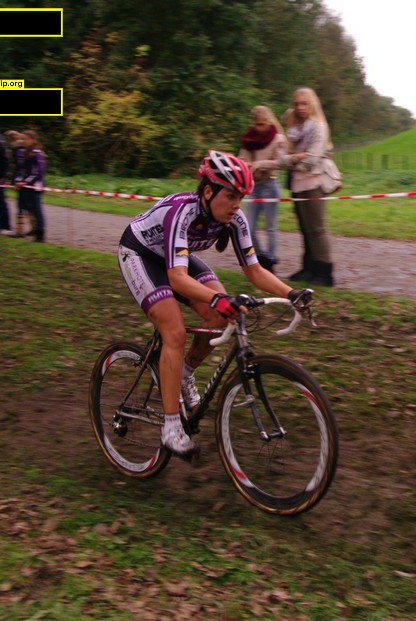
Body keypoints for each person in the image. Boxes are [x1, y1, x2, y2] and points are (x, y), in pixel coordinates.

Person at [117, 150, 313, 457]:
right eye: (231, 196)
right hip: (140, 255)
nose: (236, 205)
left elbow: (254, 270)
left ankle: (183, 373)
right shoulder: (182, 212)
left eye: (241, 197)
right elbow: (177, 277)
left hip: (174, 260)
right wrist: (217, 298)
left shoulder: (234, 219)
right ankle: (171, 428)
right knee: (174, 332)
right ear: (208, 192)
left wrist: (291, 293)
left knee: (222, 316)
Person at [253, 87, 336, 286]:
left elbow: (312, 161)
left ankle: (325, 272)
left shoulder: (318, 127)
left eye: (304, 103)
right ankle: (308, 268)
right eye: (297, 104)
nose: (300, 107)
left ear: (312, 104)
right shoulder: (294, 130)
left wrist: (292, 160)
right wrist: (296, 158)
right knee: (305, 228)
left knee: (317, 228)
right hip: (297, 183)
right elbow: (284, 158)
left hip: (314, 182)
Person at [238, 105, 289, 273]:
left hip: (269, 185)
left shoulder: (278, 139)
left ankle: (271, 259)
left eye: (262, 124)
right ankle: (261, 257)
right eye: (256, 124)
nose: (259, 128)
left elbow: (280, 163)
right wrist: (243, 164)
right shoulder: (249, 139)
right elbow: (241, 158)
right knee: (249, 227)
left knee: (270, 227)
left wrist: (260, 164)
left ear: (269, 121)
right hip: (252, 186)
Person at [14, 130, 46, 242]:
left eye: (26, 139)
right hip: (25, 186)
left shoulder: (37, 154)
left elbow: (38, 172)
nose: (23, 141)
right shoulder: (23, 153)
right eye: (22, 139)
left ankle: (40, 234)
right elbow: (21, 170)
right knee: (24, 207)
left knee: (37, 210)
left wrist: (25, 182)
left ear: (33, 140)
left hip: (35, 187)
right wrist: (18, 180)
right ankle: (27, 230)